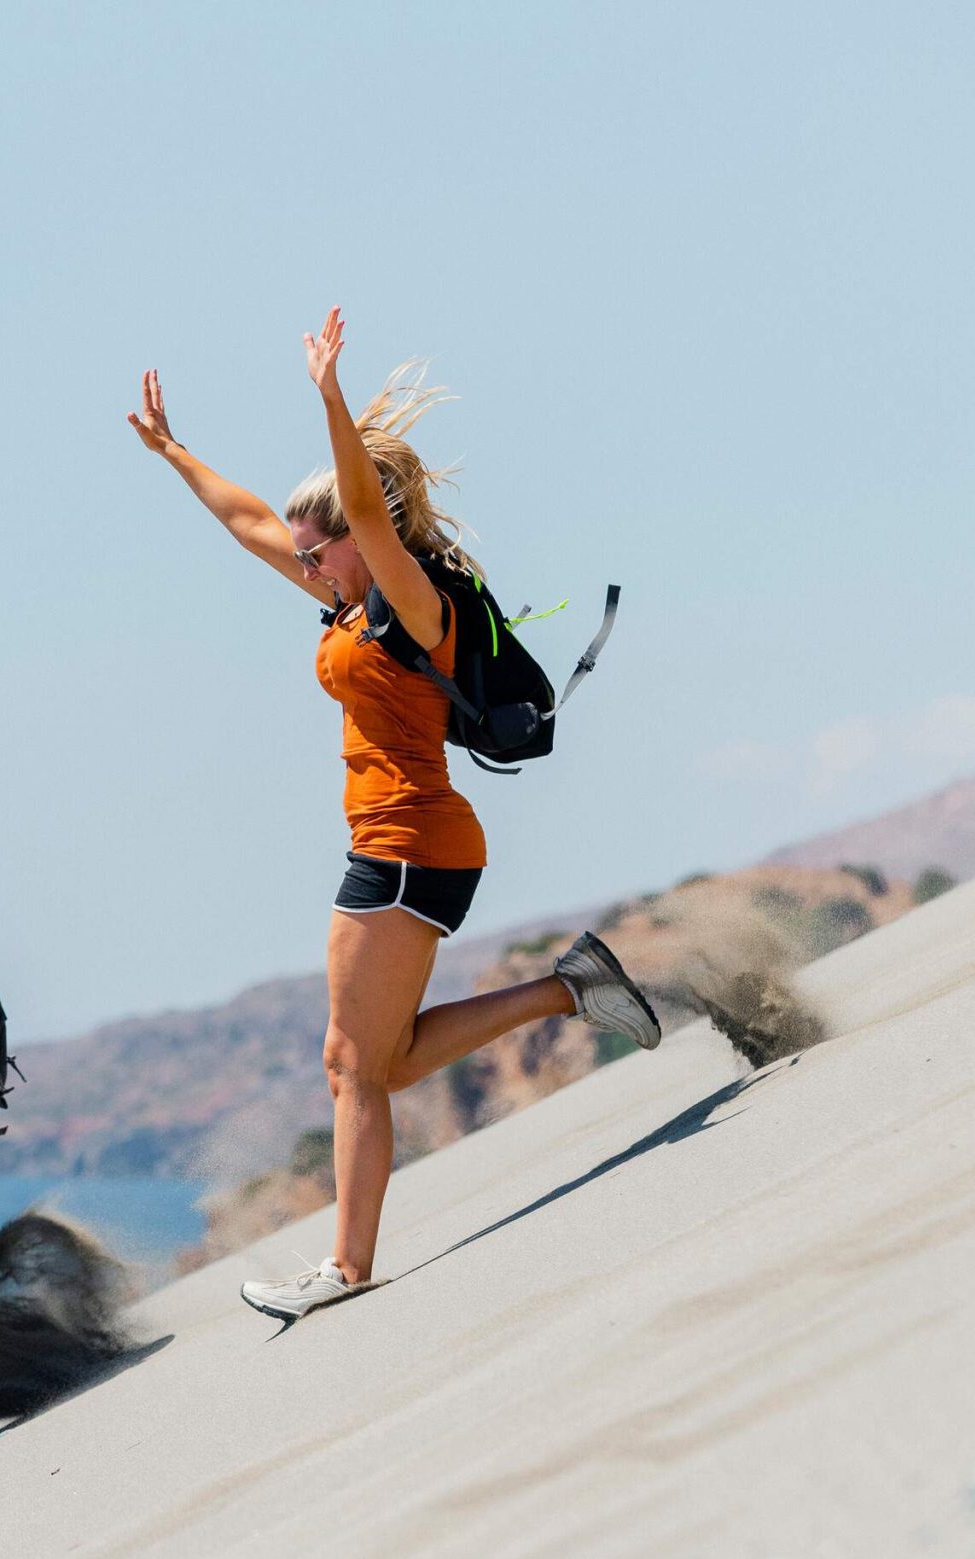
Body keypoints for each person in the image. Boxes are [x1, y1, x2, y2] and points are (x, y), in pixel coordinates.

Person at [129, 307, 661, 1323]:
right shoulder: (348, 602)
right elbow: (249, 523)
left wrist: (330, 397)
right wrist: (172, 452)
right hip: (403, 842)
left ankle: (344, 1270)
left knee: (350, 1064)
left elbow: (366, 513)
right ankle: (568, 987)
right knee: (383, 1057)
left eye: (318, 550)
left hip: (409, 841)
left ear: (358, 542)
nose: (306, 563)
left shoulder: (419, 605)